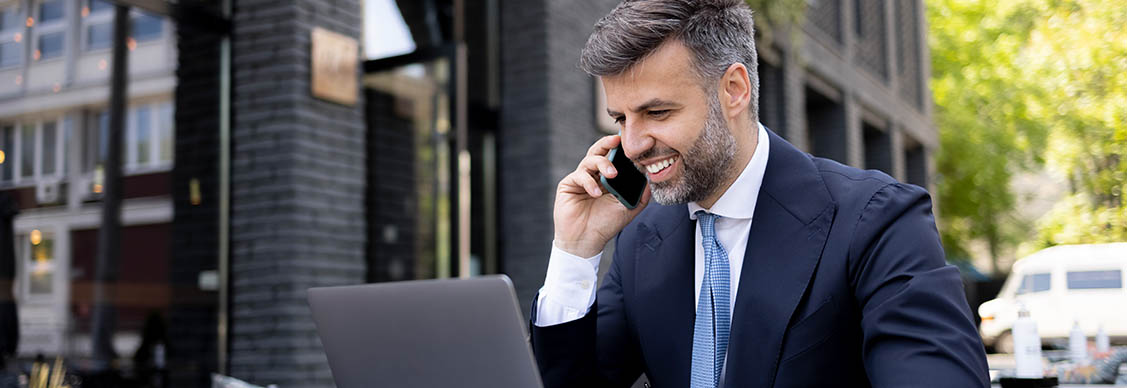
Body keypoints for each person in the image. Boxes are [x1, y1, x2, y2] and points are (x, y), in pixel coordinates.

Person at [529, 0, 991, 387]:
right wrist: (576, 249)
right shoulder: (641, 240)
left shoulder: (877, 220)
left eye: (657, 112)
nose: (633, 144)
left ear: (734, 90)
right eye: (621, 119)